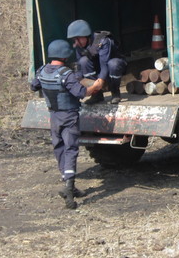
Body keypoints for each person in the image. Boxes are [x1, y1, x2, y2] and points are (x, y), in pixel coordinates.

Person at [30, 39, 88, 209]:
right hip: (69, 116)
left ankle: (68, 182)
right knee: (71, 149)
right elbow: (80, 93)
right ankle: (69, 189)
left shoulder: (42, 71)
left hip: (53, 116)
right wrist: (95, 87)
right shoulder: (66, 74)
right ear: (65, 55)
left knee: (59, 148)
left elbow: (34, 86)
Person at [67, 19, 127, 104]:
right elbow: (79, 64)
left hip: (112, 64)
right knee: (83, 61)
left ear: (85, 35)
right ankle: (97, 95)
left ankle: (115, 93)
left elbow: (104, 63)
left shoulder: (103, 40)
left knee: (113, 64)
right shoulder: (79, 45)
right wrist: (77, 83)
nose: (76, 43)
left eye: (78, 39)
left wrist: (100, 81)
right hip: (98, 66)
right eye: (74, 40)